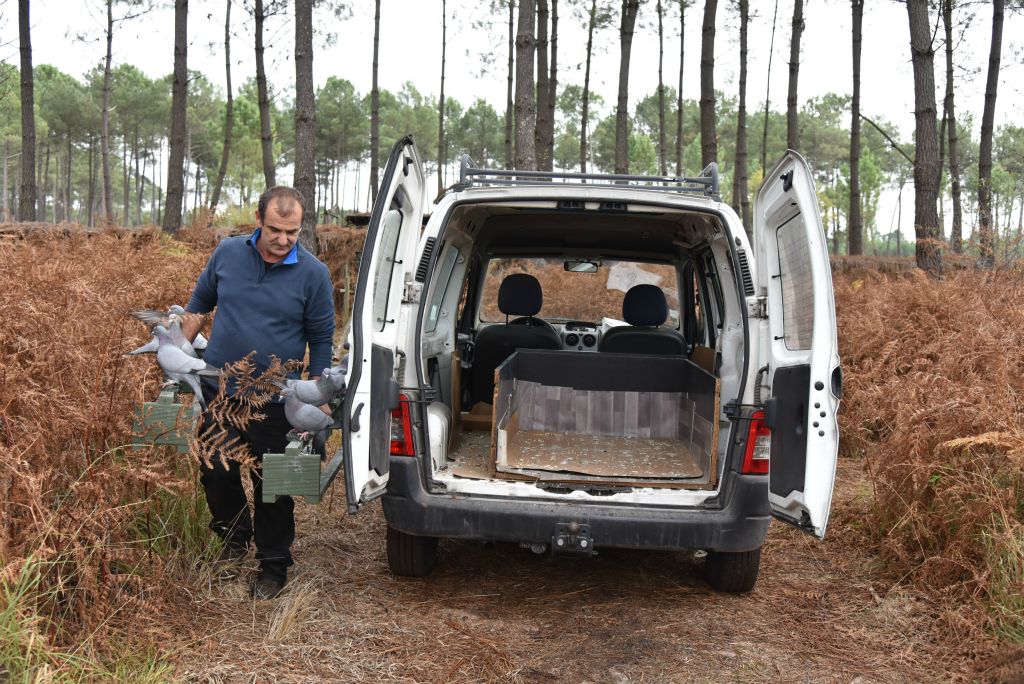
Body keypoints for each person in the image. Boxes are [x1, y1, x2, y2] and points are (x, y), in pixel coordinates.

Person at [181, 186, 335, 600]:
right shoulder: (228, 254)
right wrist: (176, 351)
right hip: (220, 391)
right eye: (275, 230)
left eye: (292, 232)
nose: (283, 240)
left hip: (277, 401)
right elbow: (199, 305)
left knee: (274, 485)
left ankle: (273, 565)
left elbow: (321, 340)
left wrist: (318, 395)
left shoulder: (314, 275)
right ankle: (234, 539)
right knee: (216, 471)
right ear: (257, 219)